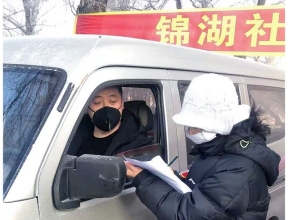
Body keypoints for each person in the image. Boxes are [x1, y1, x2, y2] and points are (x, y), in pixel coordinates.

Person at [125, 74, 280, 220]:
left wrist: (144, 180)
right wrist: (172, 176)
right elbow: (202, 193)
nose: (191, 133)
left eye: (197, 127)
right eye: (188, 126)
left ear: (218, 125)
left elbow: (187, 214)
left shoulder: (239, 168)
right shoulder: (216, 149)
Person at [71, 85, 152, 156]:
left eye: (113, 101)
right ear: (87, 107)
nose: (106, 106)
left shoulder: (140, 147)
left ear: (122, 104)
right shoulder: (69, 136)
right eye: (97, 102)